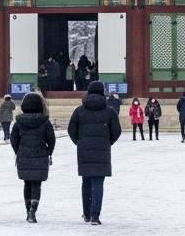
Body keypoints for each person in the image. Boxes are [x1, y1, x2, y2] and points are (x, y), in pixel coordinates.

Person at [67, 81, 122, 225]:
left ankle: (86, 213)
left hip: (84, 150)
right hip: (102, 151)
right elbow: (117, 131)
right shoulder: (109, 111)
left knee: (86, 181)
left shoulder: (79, 111)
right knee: (98, 181)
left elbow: (71, 130)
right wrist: (107, 142)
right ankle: (95, 216)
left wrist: (80, 142)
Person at [11, 92, 56, 223]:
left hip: (24, 155)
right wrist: (48, 151)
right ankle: (33, 210)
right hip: (40, 155)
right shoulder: (45, 122)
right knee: (36, 183)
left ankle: (27, 210)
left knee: (27, 183)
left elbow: (13, 139)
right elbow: (51, 139)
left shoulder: (19, 122)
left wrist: (18, 150)